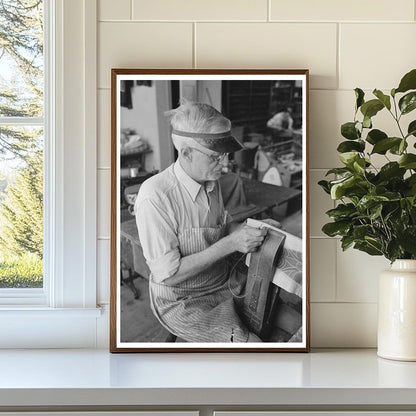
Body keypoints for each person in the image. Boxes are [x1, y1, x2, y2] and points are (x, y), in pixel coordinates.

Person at [134, 100, 268, 343]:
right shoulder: (154, 195)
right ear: (186, 153)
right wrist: (232, 243)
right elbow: (169, 275)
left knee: (279, 306)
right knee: (252, 346)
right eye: (216, 157)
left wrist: (250, 231)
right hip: (183, 300)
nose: (225, 164)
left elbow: (221, 228)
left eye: (225, 155)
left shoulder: (210, 180)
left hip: (221, 280)